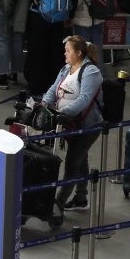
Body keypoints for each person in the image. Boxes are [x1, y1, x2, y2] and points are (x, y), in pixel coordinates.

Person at [42, 35, 103, 210]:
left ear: (79, 52)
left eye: (68, 51)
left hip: (88, 126)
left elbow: (85, 99)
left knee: (72, 163)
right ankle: (81, 199)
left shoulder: (91, 72)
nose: (65, 54)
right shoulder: (66, 68)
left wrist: (61, 113)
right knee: (79, 159)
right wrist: (45, 104)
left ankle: (58, 204)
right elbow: (54, 89)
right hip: (69, 123)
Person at [13, 0, 70, 95]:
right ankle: (56, 85)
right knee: (56, 51)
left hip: (39, 18)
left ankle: (37, 86)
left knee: (37, 52)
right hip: (59, 18)